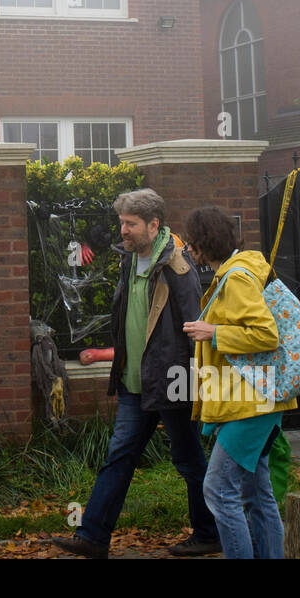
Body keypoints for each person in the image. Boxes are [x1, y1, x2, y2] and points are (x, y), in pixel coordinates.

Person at [52, 189, 221, 559]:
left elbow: (194, 326)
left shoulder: (178, 266)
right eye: (122, 223)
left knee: (189, 460)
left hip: (173, 382)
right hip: (134, 382)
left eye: (130, 224)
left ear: (153, 224)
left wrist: (197, 384)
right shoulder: (130, 259)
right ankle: (93, 537)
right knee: (119, 456)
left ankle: (210, 532)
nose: (123, 231)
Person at [181, 206, 296, 559]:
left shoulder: (237, 278)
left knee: (217, 490)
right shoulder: (234, 273)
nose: (187, 246)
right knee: (256, 494)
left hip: (250, 402)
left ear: (203, 243)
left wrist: (213, 332)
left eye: (191, 241)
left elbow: (265, 334)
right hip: (250, 398)